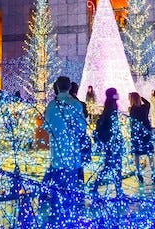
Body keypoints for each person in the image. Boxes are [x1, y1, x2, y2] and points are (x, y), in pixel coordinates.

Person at [43, 75, 87, 224]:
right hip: (72, 153)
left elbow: (46, 127)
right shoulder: (75, 104)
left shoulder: (51, 106)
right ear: (69, 87)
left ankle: (56, 216)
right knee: (70, 186)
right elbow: (82, 127)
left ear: (56, 87)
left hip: (57, 153)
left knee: (57, 187)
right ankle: (69, 217)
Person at [93, 87, 125, 197]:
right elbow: (112, 127)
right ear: (113, 95)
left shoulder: (109, 107)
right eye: (116, 93)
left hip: (110, 142)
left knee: (108, 166)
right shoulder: (111, 108)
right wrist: (117, 139)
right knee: (115, 167)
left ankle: (96, 187)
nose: (118, 94)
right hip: (113, 143)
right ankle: (118, 191)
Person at [129, 92, 155, 185]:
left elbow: (132, 122)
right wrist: (141, 97)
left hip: (137, 134)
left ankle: (139, 173)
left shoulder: (132, 109)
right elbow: (148, 103)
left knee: (137, 155)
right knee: (150, 154)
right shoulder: (145, 107)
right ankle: (153, 174)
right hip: (146, 133)